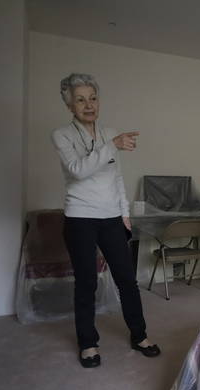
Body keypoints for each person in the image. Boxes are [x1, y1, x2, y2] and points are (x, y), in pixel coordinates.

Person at [51, 73, 160, 368]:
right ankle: (88, 344)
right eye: (80, 99)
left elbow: (117, 179)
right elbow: (77, 170)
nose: (88, 104)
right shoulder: (62, 136)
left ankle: (139, 336)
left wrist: (124, 213)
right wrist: (112, 145)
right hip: (80, 218)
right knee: (86, 283)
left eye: (93, 98)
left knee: (127, 280)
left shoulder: (108, 132)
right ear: (70, 106)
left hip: (112, 218)